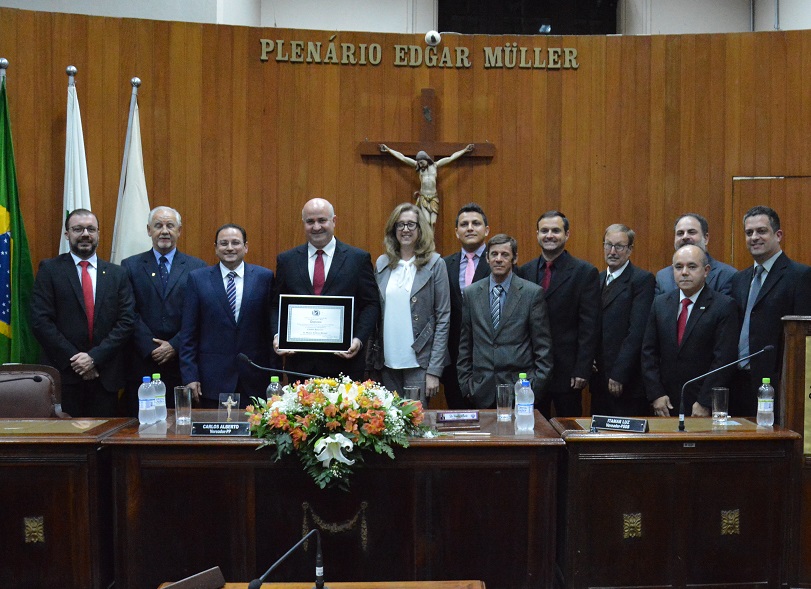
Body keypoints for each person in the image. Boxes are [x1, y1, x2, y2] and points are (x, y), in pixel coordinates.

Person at [31, 209, 135, 417]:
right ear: (67, 234)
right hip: (64, 375)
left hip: (105, 375)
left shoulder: (118, 274)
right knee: (67, 444)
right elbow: (41, 321)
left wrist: (94, 358)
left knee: (105, 443)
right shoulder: (50, 270)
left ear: (98, 233)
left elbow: (126, 321)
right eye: (78, 229)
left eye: (91, 229)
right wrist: (77, 360)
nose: (85, 234)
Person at [273, 198, 379, 382]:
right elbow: (275, 305)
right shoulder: (287, 260)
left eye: (322, 220)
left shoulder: (358, 259)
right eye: (310, 221)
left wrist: (359, 340)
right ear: (303, 223)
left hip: (345, 364)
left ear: (334, 221)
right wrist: (277, 335)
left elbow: (371, 304)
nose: (316, 227)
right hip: (300, 365)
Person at [179, 224, 275, 408]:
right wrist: (190, 376)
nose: (230, 248)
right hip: (212, 380)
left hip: (255, 380)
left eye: (235, 243)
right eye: (224, 243)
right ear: (216, 248)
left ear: (246, 247)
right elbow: (188, 334)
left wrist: (274, 378)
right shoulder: (197, 279)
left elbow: (270, 330)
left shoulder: (264, 277)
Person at [121, 206, 206, 413]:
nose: (165, 231)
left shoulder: (197, 267)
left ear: (179, 230)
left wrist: (174, 345)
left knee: (180, 425)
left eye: (170, 225)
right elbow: (127, 311)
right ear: (149, 230)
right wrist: (152, 348)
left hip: (181, 362)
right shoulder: (130, 265)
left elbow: (199, 314)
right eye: (158, 226)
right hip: (143, 361)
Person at [730, 205, 811, 417]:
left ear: (778, 235)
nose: (754, 237)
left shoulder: (799, 276)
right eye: (749, 233)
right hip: (737, 382)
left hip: (776, 383)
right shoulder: (739, 279)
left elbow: (803, 338)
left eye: (761, 231)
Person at [518, 210, 600, 418]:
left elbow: (589, 326)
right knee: (532, 429)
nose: (549, 235)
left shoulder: (584, 272)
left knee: (569, 429)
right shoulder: (524, 272)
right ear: (537, 234)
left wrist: (582, 368)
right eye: (544, 230)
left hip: (568, 371)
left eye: (556, 230)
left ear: (567, 234)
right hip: (531, 368)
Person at [641, 245, 739, 417]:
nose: (684, 272)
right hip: (665, 402)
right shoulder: (660, 304)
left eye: (692, 266)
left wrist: (706, 401)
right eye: (678, 267)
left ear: (706, 270)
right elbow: (649, 353)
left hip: (701, 404)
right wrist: (656, 394)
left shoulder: (723, 306)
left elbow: (723, 359)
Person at [457, 234, 552, 409]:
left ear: (514, 258)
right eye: (494, 254)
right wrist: (467, 385)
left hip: (519, 392)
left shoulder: (532, 294)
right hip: (480, 390)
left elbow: (543, 348)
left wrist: (535, 389)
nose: (498, 259)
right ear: (487, 258)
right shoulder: (471, 293)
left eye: (505, 255)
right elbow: (465, 344)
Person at [369, 203, 450, 404]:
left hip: (420, 364)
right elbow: (374, 312)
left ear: (420, 229)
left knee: (416, 426)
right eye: (400, 225)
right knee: (389, 426)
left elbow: (443, 318)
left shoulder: (435, 264)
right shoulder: (382, 263)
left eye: (411, 225)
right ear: (393, 229)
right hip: (387, 364)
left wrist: (434, 370)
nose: (405, 229)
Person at [590, 224, 655, 416]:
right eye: (608, 245)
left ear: (630, 250)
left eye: (619, 246)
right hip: (598, 378)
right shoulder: (597, 279)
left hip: (626, 381)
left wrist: (619, 374)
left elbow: (637, 332)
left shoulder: (642, 280)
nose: (612, 251)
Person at [441, 203, 490, 409]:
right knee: (457, 421)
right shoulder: (444, 265)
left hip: (489, 358)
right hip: (453, 358)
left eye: (476, 223)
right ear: (456, 232)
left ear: (486, 230)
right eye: (464, 224)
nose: (470, 228)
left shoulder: (499, 262)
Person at [379, 143, 474, 227]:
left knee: (433, 223)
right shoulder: (419, 168)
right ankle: (428, 244)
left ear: (426, 159)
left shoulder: (435, 166)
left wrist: (465, 150)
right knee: (426, 221)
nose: (420, 164)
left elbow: (451, 158)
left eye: (421, 162)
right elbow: (402, 158)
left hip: (433, 198)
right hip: (424, 197)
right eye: (418, 163)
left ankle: (431, 243)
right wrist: (389, 150)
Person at [655, 213, 736, 296]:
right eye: (680, 233)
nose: (685, 237)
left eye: (691, 232)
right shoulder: (663, 277)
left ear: (706, 238)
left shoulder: (726, 275)